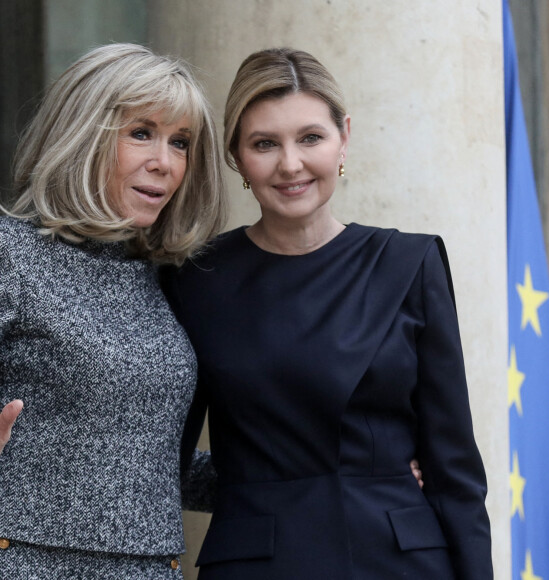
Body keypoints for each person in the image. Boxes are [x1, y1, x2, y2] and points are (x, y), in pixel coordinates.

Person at [162, 47, 493, 579]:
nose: (290, 164)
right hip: (258, 564)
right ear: (236, 157)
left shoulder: (410, 263)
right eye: (264, 144)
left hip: (403, 563)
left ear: (344, 137)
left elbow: (456, 471)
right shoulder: (195, 279)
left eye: (310, 138)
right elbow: (158, 457)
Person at [0, 43, 227, 579]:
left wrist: (342, 468)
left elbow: (145, 466)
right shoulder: (9, 252)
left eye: (181, 142)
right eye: (141, 132)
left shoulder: (161, 279)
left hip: (151, 567)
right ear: (81, 132)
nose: (164, 163)